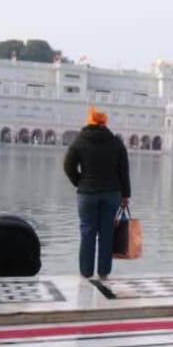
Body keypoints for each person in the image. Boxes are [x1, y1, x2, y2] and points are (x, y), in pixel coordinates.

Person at [63, 107, 131, 280]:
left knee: (87, 232)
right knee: (107, 233)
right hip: (111, 194)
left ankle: (86, 273)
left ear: (89, 121)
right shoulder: (115, 142)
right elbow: (124, 170)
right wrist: (125, 195)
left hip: (87, 194)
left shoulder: (80, 140)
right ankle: (103, 273)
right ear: (104, 122)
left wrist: (80, 182)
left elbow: (68, 166)